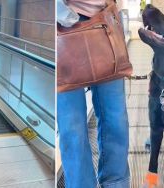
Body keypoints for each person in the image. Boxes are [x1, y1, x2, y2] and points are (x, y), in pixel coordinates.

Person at [57, 0, 130, 188]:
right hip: (62, 25)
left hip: (106, 20)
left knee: (116, 119)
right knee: (72, 127)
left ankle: (116, 183)